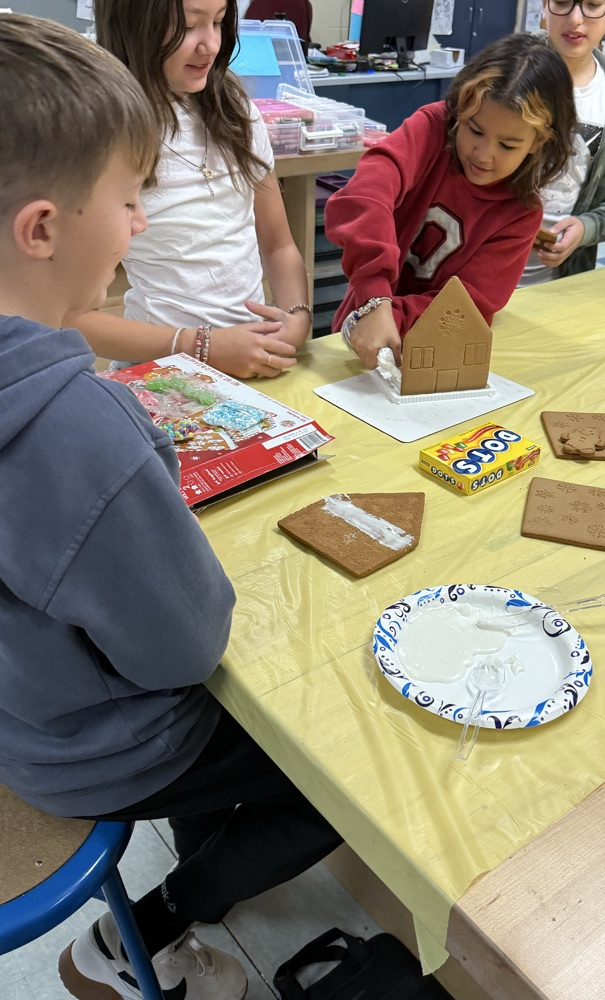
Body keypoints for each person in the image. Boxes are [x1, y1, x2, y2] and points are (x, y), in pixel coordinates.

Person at [0, 15, 340, 1000]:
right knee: (331, 774)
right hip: (85, 748)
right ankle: (154, 925)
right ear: (43, 228)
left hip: (24, 704)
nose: (138, 224)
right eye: (126, 199)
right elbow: (187, 649)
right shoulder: (79, 429)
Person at [71, 0, 313, 380]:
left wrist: (297, 316)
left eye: (218, 23)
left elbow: (279, 245)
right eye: (188, 26)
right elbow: (71, 318)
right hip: (162, 372)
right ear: (135, 26)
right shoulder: (105, 134)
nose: (211, 45)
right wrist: (198, 346)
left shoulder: (237, 113)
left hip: (253, 364)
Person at [324, 34, 577, 370]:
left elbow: (466, 307)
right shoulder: (430, 129)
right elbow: (363, 196)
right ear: (460, 109)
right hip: (359, 330)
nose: (484, 155)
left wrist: (390, 316)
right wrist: (374, 299)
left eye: (508, 145)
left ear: (538, 142)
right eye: (474, 130)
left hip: (426, 354)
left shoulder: (521, 213)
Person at [518, 0, 605, 286]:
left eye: (592, 4)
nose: (576, 19)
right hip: (476, 270)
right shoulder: (506, 69)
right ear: (544, 5)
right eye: (562, 2)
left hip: (559, 280)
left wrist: (586, 228)